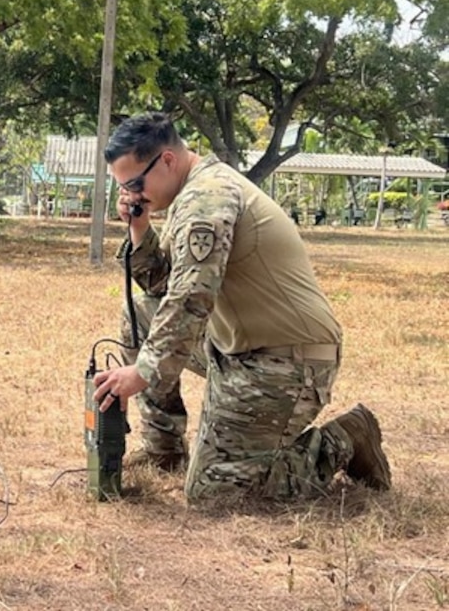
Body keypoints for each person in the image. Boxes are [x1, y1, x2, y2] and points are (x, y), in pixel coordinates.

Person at [92, 113, 390, 502]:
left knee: (213, 492)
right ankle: (164, 448)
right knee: (141, 313)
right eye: (123, 188)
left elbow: (190, 299)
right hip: (237, 349)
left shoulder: (208, 198)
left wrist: (144, 372)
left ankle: (346, 438)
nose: (131, 194)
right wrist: (140, 227)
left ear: (166, 160)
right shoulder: (192, 192)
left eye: (135, 184)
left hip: (286, 362)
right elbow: (162, 287)